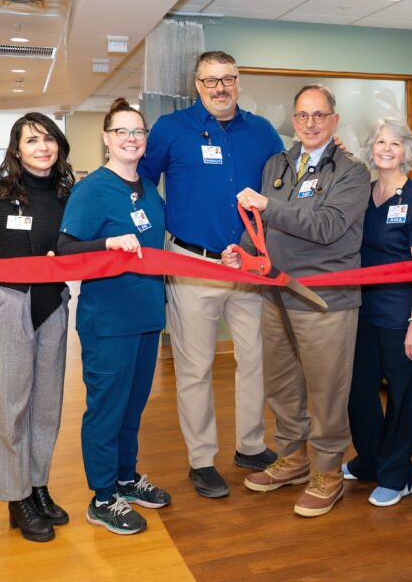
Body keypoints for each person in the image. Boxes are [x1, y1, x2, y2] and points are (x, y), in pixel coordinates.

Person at [139, 51, 284, 499]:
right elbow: (142, 182)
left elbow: (284, 185)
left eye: (228, 79)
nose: (220, 88)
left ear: (237, 81)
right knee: (196, 366)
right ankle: (202, 459)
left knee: (255, 359)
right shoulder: (170, 129)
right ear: (196, 84)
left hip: (247, 265)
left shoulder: (261, 132)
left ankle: (251, 445)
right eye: (210, 81)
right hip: (192, 263)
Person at [223, 83, 369, 518]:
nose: (309, 123)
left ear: (334, 120)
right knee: (282, 384)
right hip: (276, 291)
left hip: (325, 299)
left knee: (326, 391)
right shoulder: (278, 164)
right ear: (293, 119)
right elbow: (264, 228)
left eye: (319, 115)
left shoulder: (351, 172)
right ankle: (293, 457)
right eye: (302, 115)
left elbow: (327, 226)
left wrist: (268, 206)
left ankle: (328, 471)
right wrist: (242, 250)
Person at [0, 112, 74, 543]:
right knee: (11, 407)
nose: (42, 147)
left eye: (48, 139)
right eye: (31, 140)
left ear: (58, 145)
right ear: (16, 149)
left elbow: (79, 248)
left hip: (53, 306)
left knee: (47, 406)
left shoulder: (68, 196)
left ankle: (38, 485)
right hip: (8, 305)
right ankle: (15, 495)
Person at [56, 99, 171, 536]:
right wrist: (107, 244)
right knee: (106, 409)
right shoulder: (93, 190)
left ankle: (126, 478)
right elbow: (65, 250)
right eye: (121, 131)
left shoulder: (147, 187)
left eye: (138, 132)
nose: (130, 138)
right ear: (106, 138)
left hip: (146, 316)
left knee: (133, 407)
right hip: (108, 321)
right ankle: (103, 497)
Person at [343, 118, 412, 508]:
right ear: (370, 149)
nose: (385, 148)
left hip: (400, 315)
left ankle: (398, 475)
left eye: (394, 143)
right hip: (362, 311)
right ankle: (371, 460)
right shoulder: (363, 192)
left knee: (400, 396)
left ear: (406, 152)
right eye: (380, 141)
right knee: (358, 392)